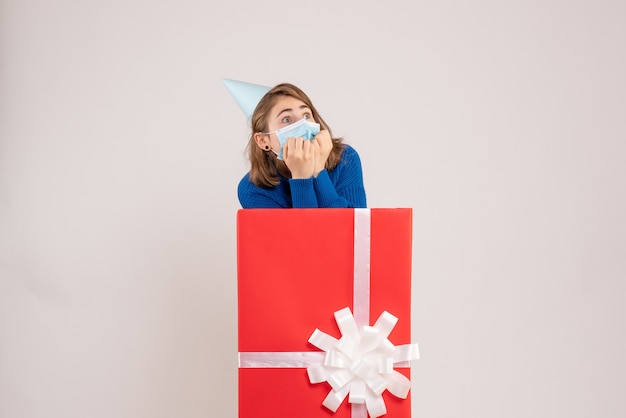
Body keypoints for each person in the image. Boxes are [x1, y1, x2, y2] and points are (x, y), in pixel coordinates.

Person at [234, 82, 366, 208]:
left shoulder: (346, 158)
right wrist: (301, 178)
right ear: (263, 141)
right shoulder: (252, 189)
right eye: (286, 119)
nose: (302, 124)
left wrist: (318, 171)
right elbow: (305, 232)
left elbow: (350, 229)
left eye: (306, 115)